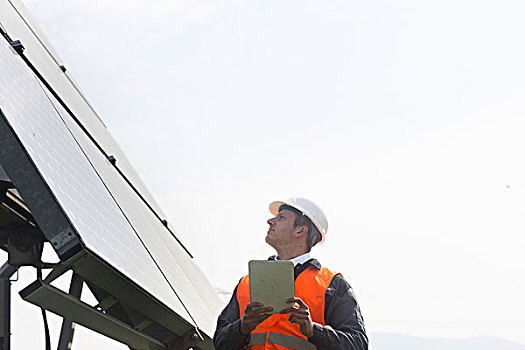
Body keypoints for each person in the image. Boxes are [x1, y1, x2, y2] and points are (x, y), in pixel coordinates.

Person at [213, 197, 368, 350]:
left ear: (300, 230)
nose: (270, 221)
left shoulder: (332, 285)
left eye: (281, 217)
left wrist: (313, 330)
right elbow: (220, 342)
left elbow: (358, 344)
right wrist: (242, 327)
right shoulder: (247, 282)